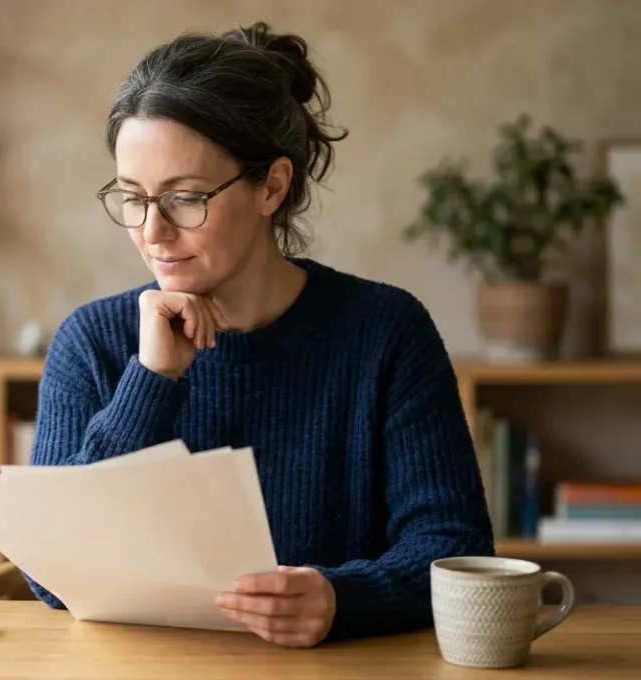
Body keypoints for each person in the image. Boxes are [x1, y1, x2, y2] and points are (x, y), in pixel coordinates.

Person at [25, 22, 495, 648]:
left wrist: (340, 598)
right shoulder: (93, 341)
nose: (153, 232)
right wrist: (150, 380)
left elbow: (455, 548)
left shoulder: (386, 332)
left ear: (272, 185)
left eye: (185, 198)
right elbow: (52, 576)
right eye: (132, 198)